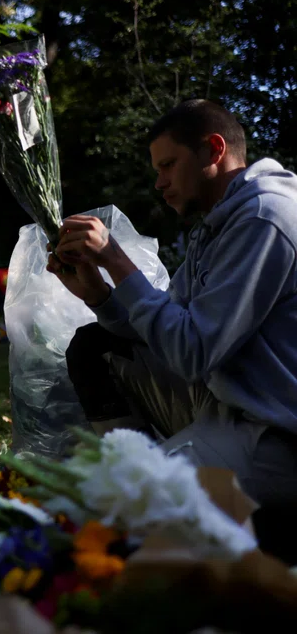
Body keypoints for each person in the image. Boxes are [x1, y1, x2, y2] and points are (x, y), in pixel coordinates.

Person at [49, 99, 297, 509]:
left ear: (213, 150)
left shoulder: (264, 217)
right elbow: (167, 325)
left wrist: (116, 258)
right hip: (229, 409)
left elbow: (191, 352)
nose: (159, 183)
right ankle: (142, 464)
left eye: (168, 165)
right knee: (96, 344)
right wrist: (99, 295)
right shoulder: (218, 225)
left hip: (274, 433)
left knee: (120, 510)